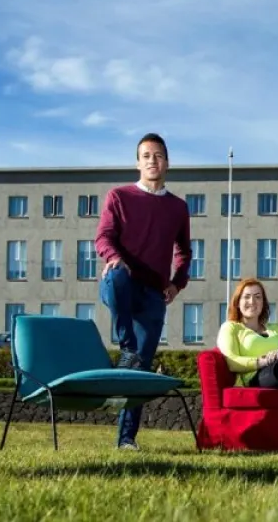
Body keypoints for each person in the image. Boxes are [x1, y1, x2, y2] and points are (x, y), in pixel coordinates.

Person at [94, 132, 193, 450]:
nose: (153, 160)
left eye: (159, 155)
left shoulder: (178, 207)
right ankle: (126, 346)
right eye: (147, 155)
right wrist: (114, 259)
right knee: (118, 274)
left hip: (153, 295)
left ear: (168, 163)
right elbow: (104, 237)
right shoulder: (119, 196)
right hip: (121, 284)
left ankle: (126, 440)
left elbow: (185, 252)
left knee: (140, 369)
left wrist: (177, 284)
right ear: (138, 162)